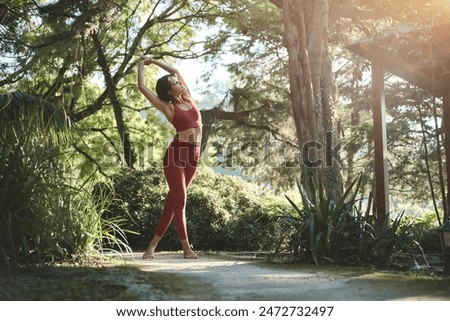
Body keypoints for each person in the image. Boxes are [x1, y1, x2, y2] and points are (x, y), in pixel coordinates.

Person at [137, 55, 202, 259]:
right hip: (175, 157)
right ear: (169, 91)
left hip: (193, 158)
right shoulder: (169, 108)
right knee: (180, 202)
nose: (179, 82)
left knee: (172, 203)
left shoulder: (188, 98)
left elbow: (175, 70)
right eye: (174, 83)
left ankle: (151, 247)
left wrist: (153, 60)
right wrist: (141, 66)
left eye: (177, 81)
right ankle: (186, 248)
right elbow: (142, 88)